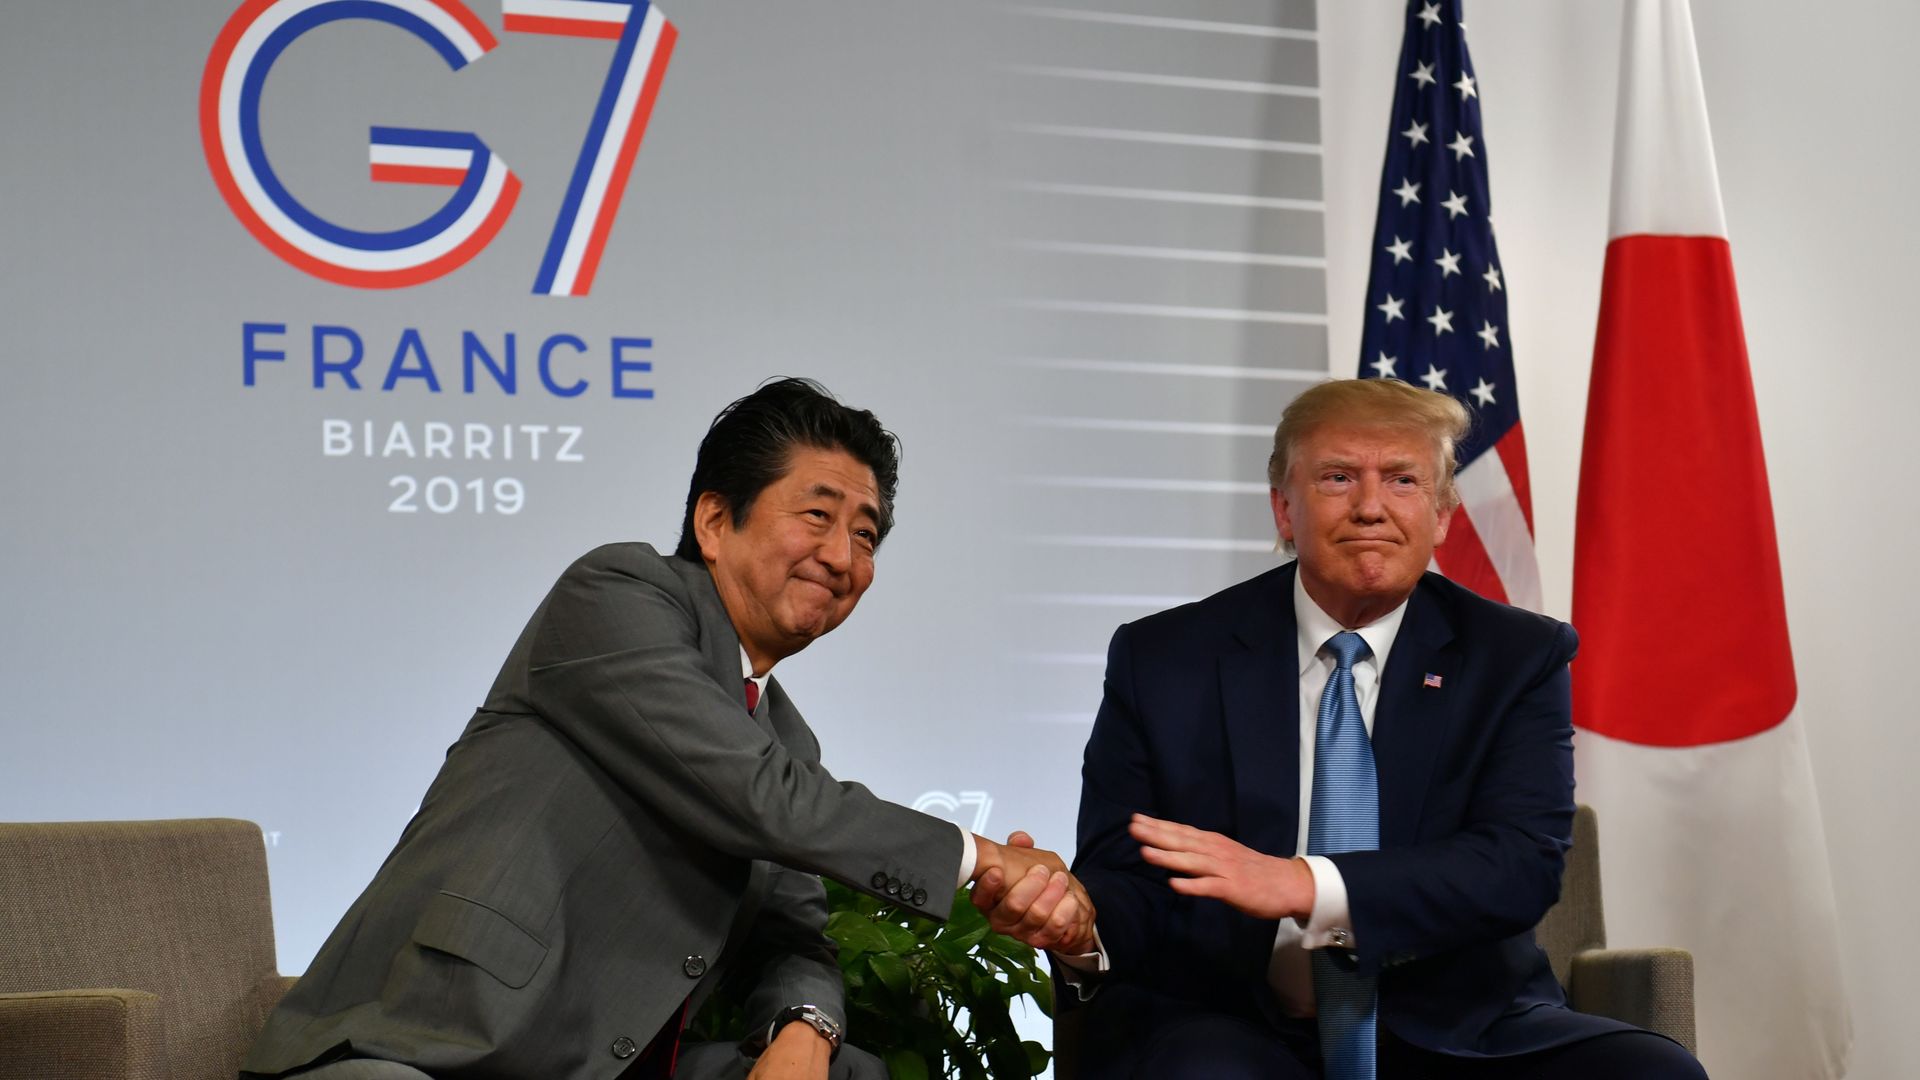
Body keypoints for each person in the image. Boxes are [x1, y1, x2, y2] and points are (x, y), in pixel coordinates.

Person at [242, 378, 1092, 1080]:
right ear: (715, 522)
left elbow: (794, 933)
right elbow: (757, 797)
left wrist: (805, 1029)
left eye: (865, 535)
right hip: (437, 1046)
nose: (843, 557)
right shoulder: (615, 595)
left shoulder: (787, 737)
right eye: (817, 516)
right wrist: (980, 860)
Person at [974, 378, 1704, 1078]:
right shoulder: (1165, 659)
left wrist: (1304, 884)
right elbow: (1127, 878)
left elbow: (1518, 866)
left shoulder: (1517, 657)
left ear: (1444, 513)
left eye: (1403, 480)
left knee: (1653, 1069)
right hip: (1232, 1019)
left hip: (1460, 1024)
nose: (1370, 506)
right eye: (1336, 478)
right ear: (1283, 509)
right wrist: (1080, 922)